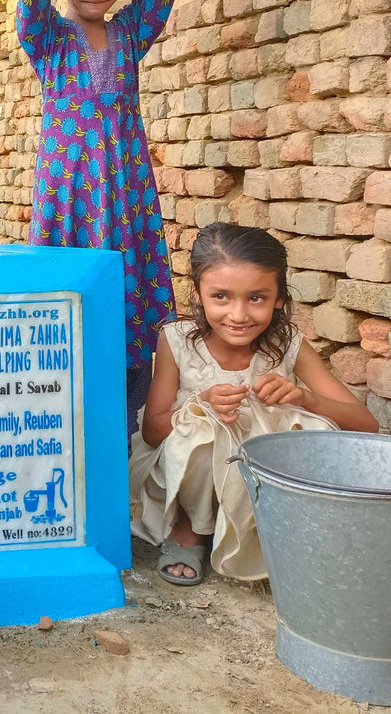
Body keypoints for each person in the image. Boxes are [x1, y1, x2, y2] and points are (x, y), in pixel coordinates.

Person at [16, 0, 190, 444]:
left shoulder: (132, 31)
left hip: (128, 194)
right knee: (64, 297)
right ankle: (56, 411)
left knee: (130, 293)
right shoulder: (46, 38)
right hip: (69, 195)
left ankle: (128, 420)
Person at [130, 223, 378, 586]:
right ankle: (191, 527)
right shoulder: (177, 341)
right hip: (185, 474)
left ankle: (266, 529)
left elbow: (365, 425)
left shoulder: (287, 342)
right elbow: (152, 432)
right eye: (221, 297)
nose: (239, 314)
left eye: (257, 298)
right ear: (197, 293)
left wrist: (304, 398)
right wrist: (200, 404)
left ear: (279, 297)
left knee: (311, 426)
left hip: (254, 476)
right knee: (203, 430)